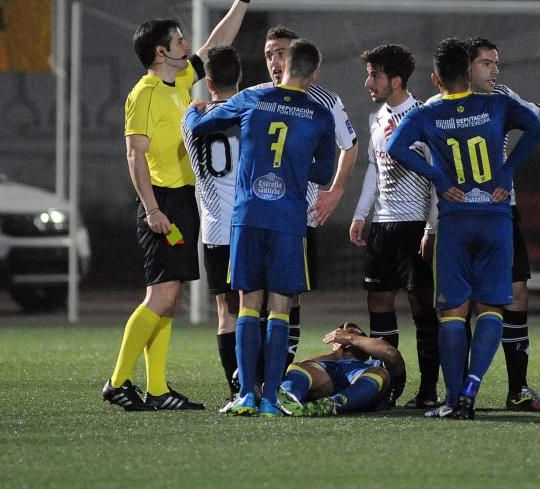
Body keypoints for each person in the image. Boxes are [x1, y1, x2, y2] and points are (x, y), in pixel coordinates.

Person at [102, 0, 269, 412]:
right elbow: (134, 154)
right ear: (160, 52)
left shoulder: (181, 82)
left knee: (170, 298)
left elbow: (218, 44)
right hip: (163, 203)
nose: (187, 44)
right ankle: (118, 381)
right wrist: (152, 209)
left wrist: (243, 0)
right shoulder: (144, 93)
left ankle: (156, 389)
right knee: (162, 294)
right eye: (178, 40)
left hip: (183, 201)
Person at [386, 38, 540, 418]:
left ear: (436, 76)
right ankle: (472, 387)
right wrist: (506, 170)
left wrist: (438, 177)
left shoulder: (427, 112)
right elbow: (537, 128)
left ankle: (455, 398)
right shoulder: (495, 103)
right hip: (495, 217)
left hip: (455, 220)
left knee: (453, 313)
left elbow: (395, 147)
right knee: (492, 307)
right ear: (468, 72)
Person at [426, 36, 540, 412]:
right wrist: (431, 226)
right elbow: (431, 175)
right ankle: (458, 390)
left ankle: (516, 389)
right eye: (486, 64)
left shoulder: (503, 98)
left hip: (501, 214)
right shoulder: (437, 107)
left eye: (496, 63)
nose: (494, 71)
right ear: (466, 68)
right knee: (459, 307)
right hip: (456, 218)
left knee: (514, 298)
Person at [185, 38, 336, 417]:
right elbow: (322, 172)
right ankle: (270, 399)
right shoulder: (319, 113)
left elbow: (203, 126)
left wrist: (190, 114)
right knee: (281, 308)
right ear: (314, 74)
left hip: (248, 217)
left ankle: (246, 395)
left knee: (247, 306)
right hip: (288, 220)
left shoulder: (251, 99)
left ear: (282, 65)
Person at [259, 26, 359, 364]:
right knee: (252, 295)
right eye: (269, 54)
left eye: (282, 53)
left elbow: (351, 145)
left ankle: (281, 366)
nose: (275, 61)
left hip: (298, 216)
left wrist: (335, 191)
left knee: (291, 294)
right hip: (257, 215)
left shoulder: (325, 101)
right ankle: (251, 371)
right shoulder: (257, 96)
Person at [349, 43, 440, 409]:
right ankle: (385, 387)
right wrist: (360, 214)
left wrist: (431, 228)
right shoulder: (376, 118)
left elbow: (437, 177)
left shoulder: (423, 117)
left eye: (375, 75)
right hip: (383, 227)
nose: (368, 81)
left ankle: (428, 390)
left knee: (422, 308)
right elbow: (374, 167)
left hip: (415, 226)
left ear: (397, 80)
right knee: (379, 305)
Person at [182, 46, 244, 401]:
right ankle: (256, 381)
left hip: (214, 229)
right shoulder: (247, 116)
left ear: (208, 82)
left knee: (226, 312)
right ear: (239, 77)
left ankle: (233, 387)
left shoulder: (190, 120)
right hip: (247, 225)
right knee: (255, 305)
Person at [277, 322, 406, 417]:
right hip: (326, 381)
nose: (344, 332)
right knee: (299, 367)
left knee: (380, 373)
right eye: (340, 332)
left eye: (353, 331)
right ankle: (289, 397)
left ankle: (333, 404)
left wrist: (352, 338)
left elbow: (392, 354)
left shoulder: (374, 364)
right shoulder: (317, 363)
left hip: (360, 380)